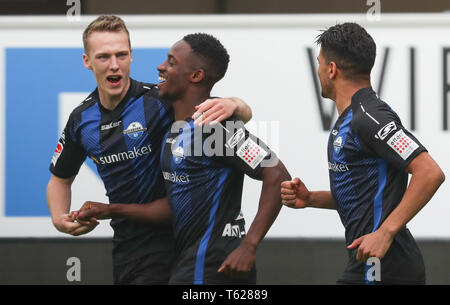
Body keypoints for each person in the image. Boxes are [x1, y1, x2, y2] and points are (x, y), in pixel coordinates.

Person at [46, 15, 253, 285]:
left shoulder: (158, 100)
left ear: (131, 56)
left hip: (179, 240)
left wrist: (235, 103)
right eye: (104, 57)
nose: (114, 66)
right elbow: (59, 179)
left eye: (121, 55)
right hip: (128, 248)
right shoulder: (81, 120)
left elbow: (235, 115)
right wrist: (59, 218)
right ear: (87, 61)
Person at [75, 32, 291, 285]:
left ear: (196, 76)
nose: (161, 67)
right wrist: (110, 209)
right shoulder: (175, 128)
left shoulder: (213, 127)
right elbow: (172, 207)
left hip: (212, 264)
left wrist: (249, 245)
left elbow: (276, 174)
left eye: (171, 62)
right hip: (189, 262)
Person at [281, 22, 445, 285]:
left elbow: (430, 172)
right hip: (372, 263)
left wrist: (385, 232)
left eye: (320, 63)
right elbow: (367, 196)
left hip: (385, 267)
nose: (319, 70)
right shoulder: (353, 117)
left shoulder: (369, 118)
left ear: (332, 69)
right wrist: (311, 198)